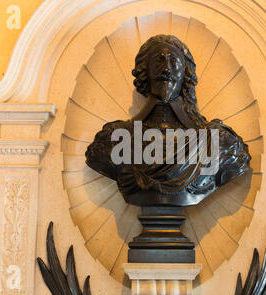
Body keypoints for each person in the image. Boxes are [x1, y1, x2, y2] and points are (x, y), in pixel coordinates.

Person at [85, 34, 251, 207]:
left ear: (185, 73)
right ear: (144, 72)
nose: (166, 69)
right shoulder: (114, 139)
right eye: (158, 61)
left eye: (174, 62)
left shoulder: (217, 141)